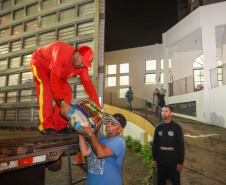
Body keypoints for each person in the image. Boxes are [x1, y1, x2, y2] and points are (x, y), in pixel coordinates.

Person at [30, 42, 100, 135]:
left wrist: (97, 107)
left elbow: (88, 85)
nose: (83, 65)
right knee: (46, 89)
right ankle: (46, 125)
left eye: (85, 64)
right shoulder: (61, 54)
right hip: (40, 64)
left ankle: (60, 126)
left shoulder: (82, 67)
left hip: (56, 72)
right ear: (77, 53)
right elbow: (54, 82)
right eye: (82, 62)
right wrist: (61, 101)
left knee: (67, 91)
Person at [77, 113, 127, 185]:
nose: (108, 124)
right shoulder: (100, 139)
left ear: (120, 129)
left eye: (112, 124)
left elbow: (101, 153)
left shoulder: (119, 141)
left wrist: (91, 134)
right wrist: (81, 134)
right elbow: (85, 152)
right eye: (108, 121)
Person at [152, 105, 185, 185]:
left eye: (166, 111)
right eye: (163, 111)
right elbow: (155, 144)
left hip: (173, 163)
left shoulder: (177, 127)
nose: (163, 113)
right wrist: (154, 158)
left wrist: (180, 162)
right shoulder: (158, 127)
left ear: (171, 114)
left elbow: (181, 145)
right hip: (161, 162)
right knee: (160, 182)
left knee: (176, 182)